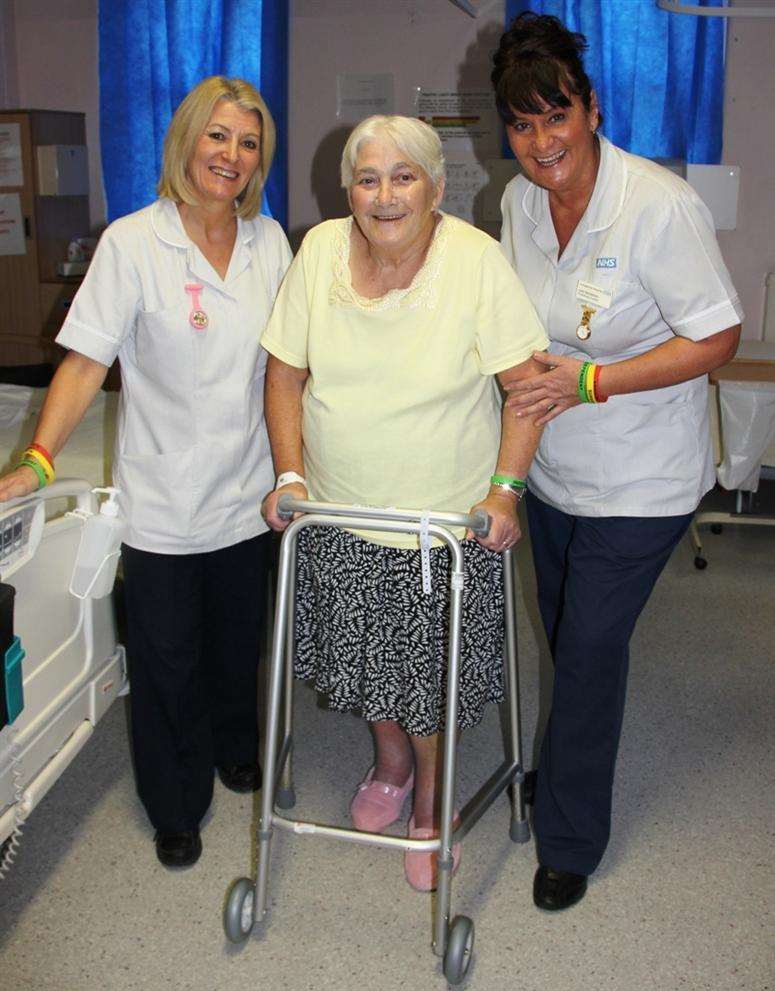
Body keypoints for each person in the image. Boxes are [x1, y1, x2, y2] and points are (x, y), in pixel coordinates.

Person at [0, 77, 292, 869]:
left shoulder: (272, 244)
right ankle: (175, 802)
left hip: (251, 488)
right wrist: (37, 458)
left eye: (249, 142)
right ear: (187, 141)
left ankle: (237, 745)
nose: (231, 156)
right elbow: (86, 358)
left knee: (240, 643)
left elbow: (290, 368)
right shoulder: (132, 242)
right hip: (163, 496)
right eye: (218, 137)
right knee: (167, 658)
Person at [491, 12, 743, 911]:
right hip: (552, 468)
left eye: (554, 116)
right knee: (566, 639)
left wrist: (594, 381)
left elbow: (716, 335)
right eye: (521, 124)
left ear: (590, 111)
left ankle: (568, 836)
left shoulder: (656, 206)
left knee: (591, 650)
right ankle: (562, 771)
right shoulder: (515, 204)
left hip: (642, 476)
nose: (540, 141)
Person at [260, 115, 548, 891]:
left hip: (442, 524)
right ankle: (388, 760)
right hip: (336, 511)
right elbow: (284, 373)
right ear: (346, 188)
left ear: (435, 186)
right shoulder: (319, 250)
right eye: (367, 178)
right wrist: (289, 475)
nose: (384, 195)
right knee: (361, 661)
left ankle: (429, 795)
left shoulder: (475, 261)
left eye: (403, 176)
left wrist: (505, 491)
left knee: (426, 682)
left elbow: (525, 388)